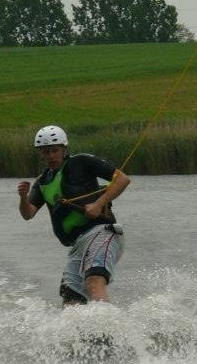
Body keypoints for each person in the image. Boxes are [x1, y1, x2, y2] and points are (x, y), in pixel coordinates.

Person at [17, 125, 131, 305]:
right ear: (40, 153)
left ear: (64, 149)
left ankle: (106, 329)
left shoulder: (81, 161)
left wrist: (98, 204)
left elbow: (123, 179)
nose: (51, 156)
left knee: (93, 282)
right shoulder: (42, 182)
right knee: (70, 301)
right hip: (78, 245)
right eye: (46, 152)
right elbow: (28, 213)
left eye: (55, 150)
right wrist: (23, 197)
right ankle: (79, 333)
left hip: (102, 233)